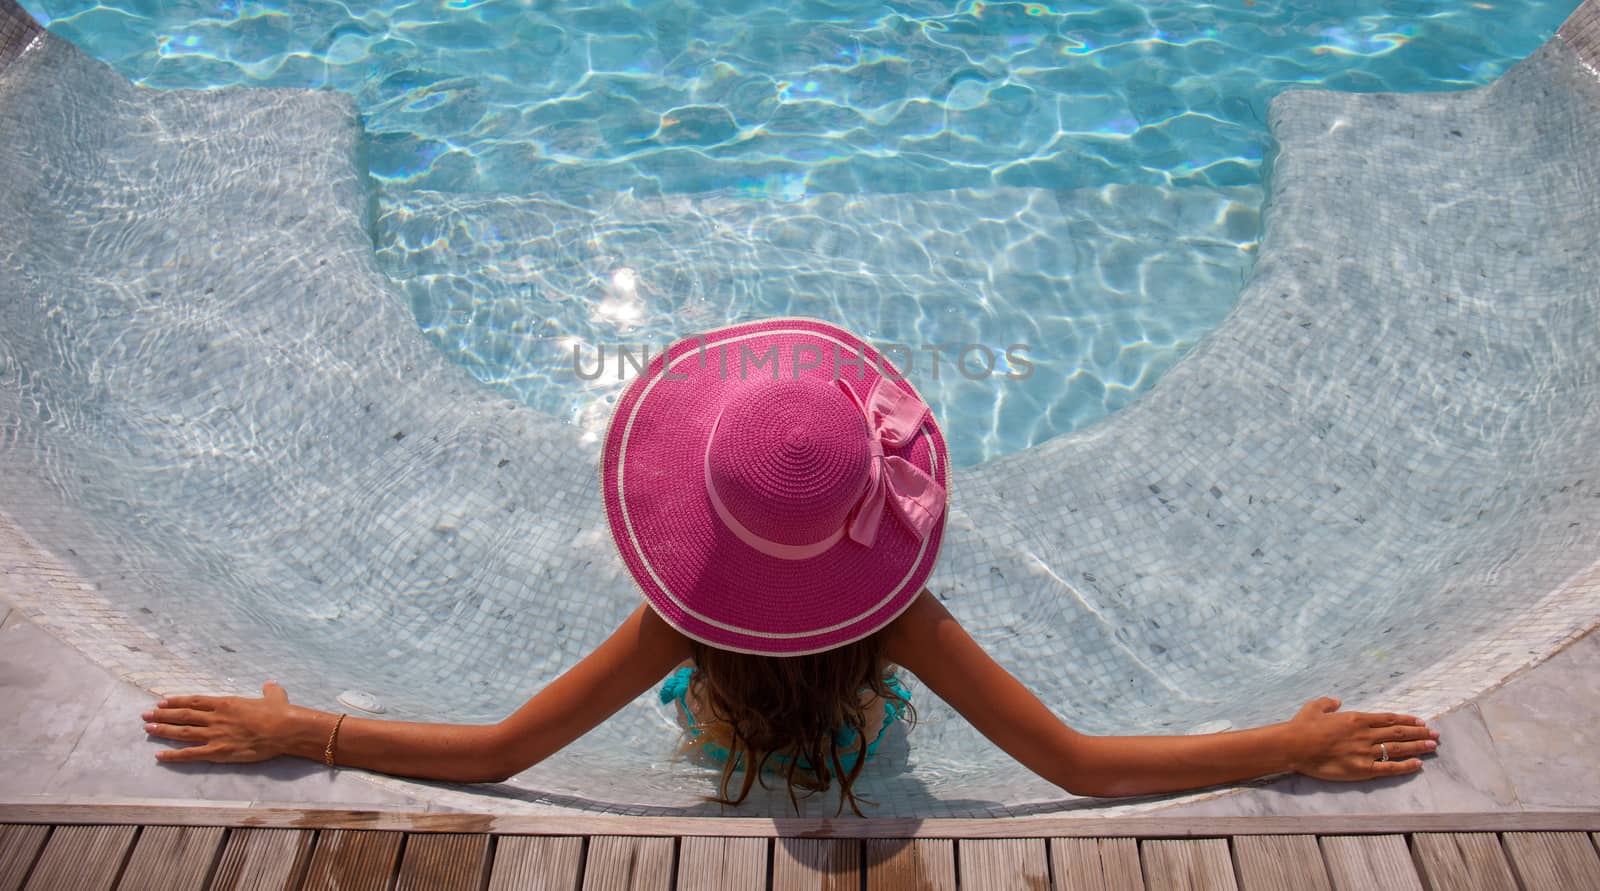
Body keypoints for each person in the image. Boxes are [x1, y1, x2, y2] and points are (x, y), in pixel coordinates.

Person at [142, 318, 1439, 814]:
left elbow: (494, 754)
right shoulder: (903, 626)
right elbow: (1082, 767)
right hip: (860, 739)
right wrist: (1284, 745)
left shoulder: (678, 630)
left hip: (721, 740)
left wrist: (293, 726)